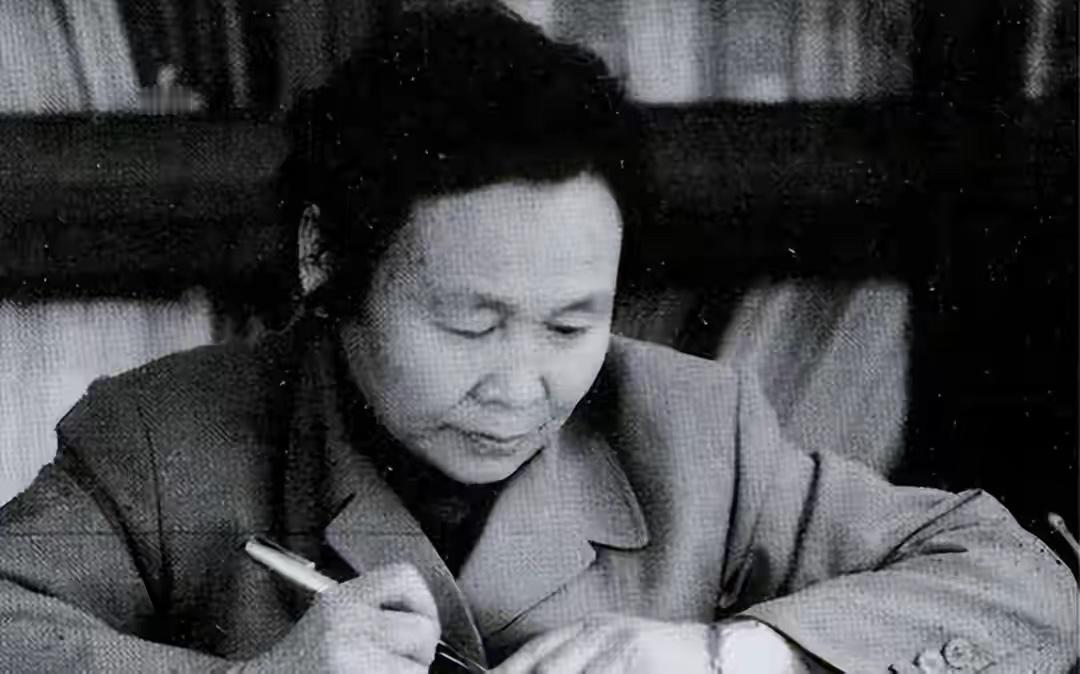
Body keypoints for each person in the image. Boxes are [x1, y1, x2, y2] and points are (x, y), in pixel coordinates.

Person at [0, 3, 1076, 673]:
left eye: (571, 323)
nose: (521, 387)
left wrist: (730, 653)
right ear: (325, 254)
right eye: (468, 322)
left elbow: (1026, 586)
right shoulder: (163, 441)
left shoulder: (698, 431)